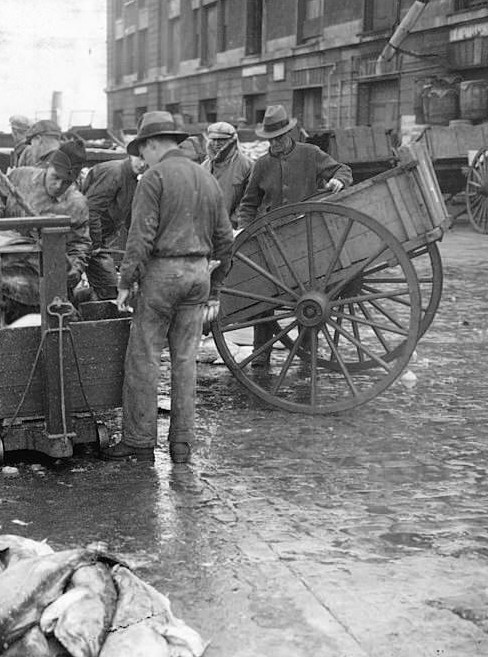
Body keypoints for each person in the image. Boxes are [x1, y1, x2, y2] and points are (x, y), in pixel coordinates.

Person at [100, 111, 233, 465]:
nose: (141, 158)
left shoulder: (153, 179)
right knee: (186, 361)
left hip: (162, 275)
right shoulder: (207, 178)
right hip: (198, 276)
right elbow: (226, 239)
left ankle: (140, 441)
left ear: (153, 144)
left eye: (142, 149)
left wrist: (126, 282)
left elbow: (139, 237)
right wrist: (215, 286)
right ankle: (181, 446)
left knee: (144, 358)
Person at [235, 104, 352, 366]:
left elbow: (342, 170)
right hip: (271, 239)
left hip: (307, 236)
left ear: (289, 134)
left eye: (279, 138)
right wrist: (244, 228)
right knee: (263, 293)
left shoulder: (310, 154)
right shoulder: (262, 165)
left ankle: (308, 352)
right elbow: (248, 204)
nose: (275, 143)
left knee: (310, 294)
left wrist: (338, 181)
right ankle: (261, 352)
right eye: (270, 139)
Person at [0, 139, 92, 297]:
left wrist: (74, 270)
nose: (58, 185)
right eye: (55, 177)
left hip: (42, 273)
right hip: (3, 259)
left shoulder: (77, 205)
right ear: (49, 166)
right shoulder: (19, 177)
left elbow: (80, 244)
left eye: (66, 182)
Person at [78, 140, 146, 300]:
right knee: (68, 282)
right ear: (131, 155)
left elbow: (130, 218)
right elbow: (91, 210)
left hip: (98, 242)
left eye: (146, 160)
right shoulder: (114, 172)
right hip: (82, 239)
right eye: (139, 158)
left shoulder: (134, 179)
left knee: (109, 288)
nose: (143, 164)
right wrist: (94, 243)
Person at [201, 121, 253, 228]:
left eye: (222, 140)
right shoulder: (203, 167)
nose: (216, 144)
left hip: (233, 229)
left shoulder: (246, 165)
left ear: (232, 141)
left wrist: (233, 222)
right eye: (214, 139)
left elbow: (250, 200)